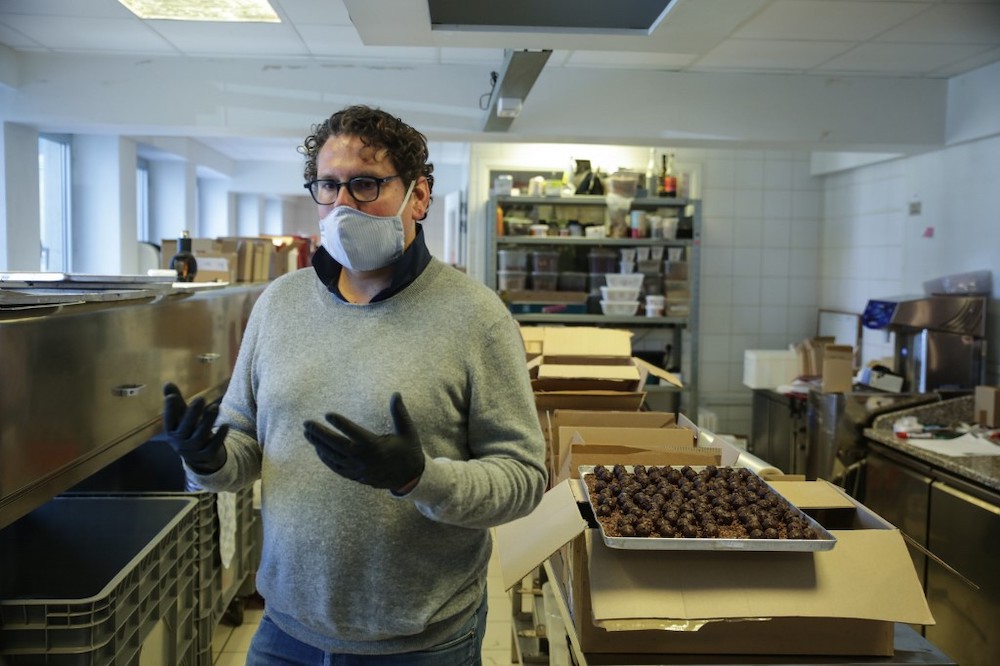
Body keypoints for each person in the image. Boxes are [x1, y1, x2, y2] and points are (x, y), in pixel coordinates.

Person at [161, 104, 547, 664]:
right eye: (328, 185)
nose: (342, 204)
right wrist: (208, 458)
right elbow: (243, 446)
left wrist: (421, 478)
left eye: (365, 184)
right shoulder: (279, 305)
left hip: (421, 641)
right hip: (285, 631)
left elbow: (523, 478)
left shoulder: (476, 318)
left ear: (418, 196)